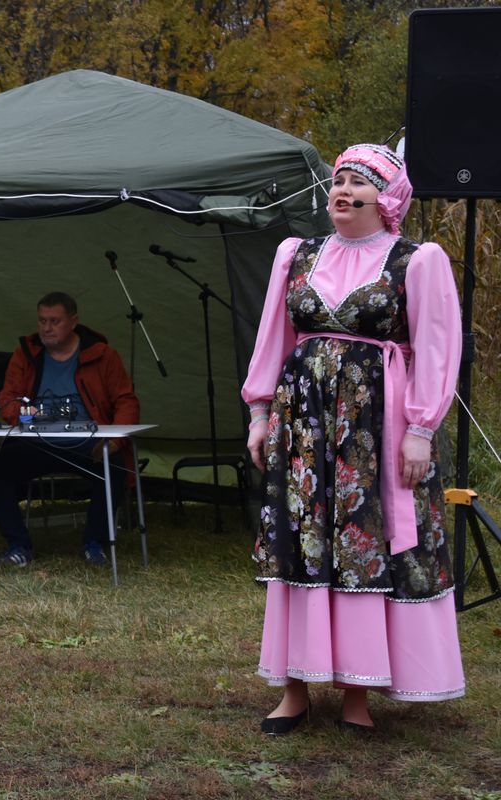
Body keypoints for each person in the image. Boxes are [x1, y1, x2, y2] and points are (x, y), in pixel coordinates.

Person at [243, 143, 464, 735]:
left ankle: (357, 694)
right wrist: (259, 412)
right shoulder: (296, 254)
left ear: (386, 199)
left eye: (358, 183)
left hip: (374, 428)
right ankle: (293, 688)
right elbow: (273, 337)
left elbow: (437, 349)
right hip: (304, 425)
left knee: (363, 542)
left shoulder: (416, 261)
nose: (342, 190)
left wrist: (421, 430)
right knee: (303, 539)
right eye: (338, 180)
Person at [0, 292, 140, 567]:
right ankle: (19, 546)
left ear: (73, 322)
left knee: (114, 466)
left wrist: (115, 440)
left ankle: (94, 543)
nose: (47, 328)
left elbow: (126, 401)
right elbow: (8, 399)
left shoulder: (102, 355)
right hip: (37, 442)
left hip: (88, 442)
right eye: (42, 321)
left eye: (55, 321)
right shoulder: (26, 354)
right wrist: (27, 415)